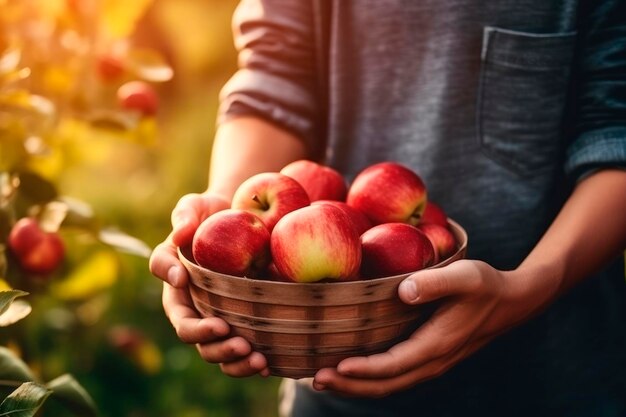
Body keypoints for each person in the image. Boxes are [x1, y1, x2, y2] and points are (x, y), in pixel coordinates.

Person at [149, 0, 626, 415]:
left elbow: (615, 128)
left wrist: (529, 287)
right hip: (331, 366)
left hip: (557, 371)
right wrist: (225, 214)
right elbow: (276, 74)